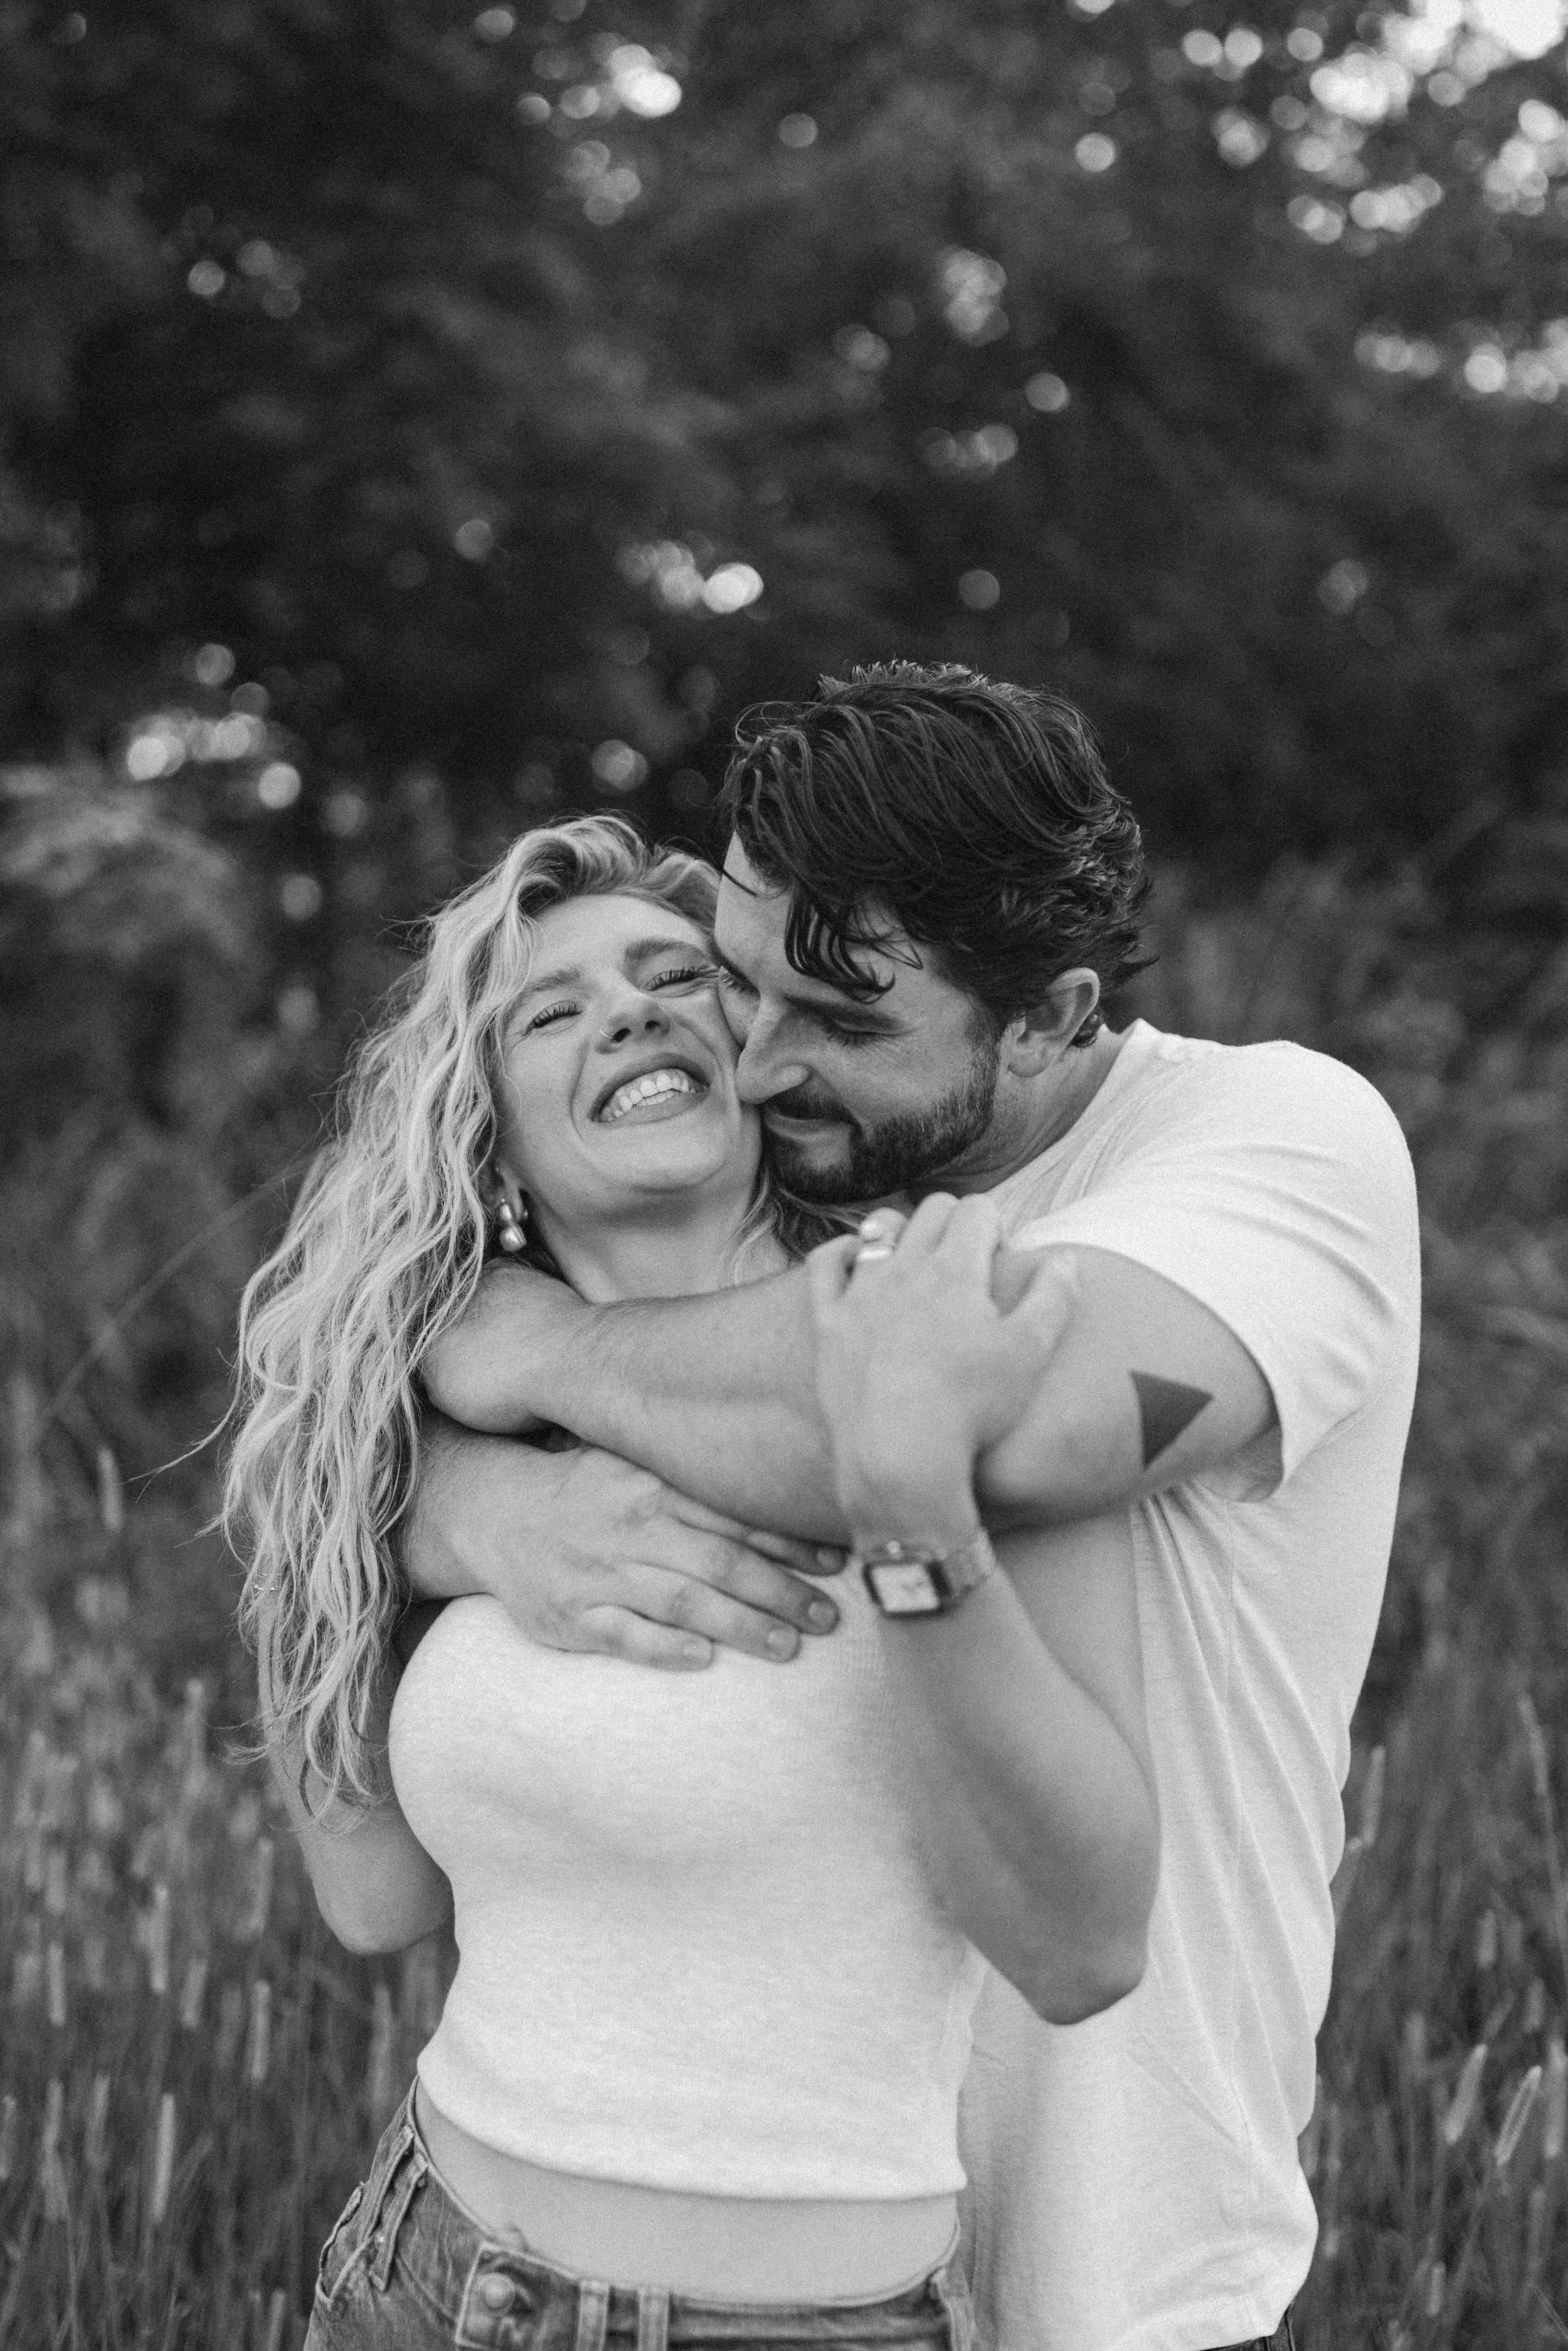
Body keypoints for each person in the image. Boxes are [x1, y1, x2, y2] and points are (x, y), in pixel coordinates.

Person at [403, 664, 1421, 2351]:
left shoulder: (1272, 1135)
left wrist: (533, 1353)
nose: (756, 1060)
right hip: (726, 2264)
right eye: (740, 980)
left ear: (1043, 1017)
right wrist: (451, 1497)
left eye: (841, 1020)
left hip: (1112, 2266)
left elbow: (994, 1425)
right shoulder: (810, 1222)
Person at [225, 813, 1160, 2350]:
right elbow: (372, 1895)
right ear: (485, 1130)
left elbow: (1082, 1940)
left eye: (675, 978)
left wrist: (910, 1510)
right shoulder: (432, 1421)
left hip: (804, 2319)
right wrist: (383, 1493)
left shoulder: (940, 1332)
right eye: (551, 1010)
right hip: (422, 2273)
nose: (629, 1013)